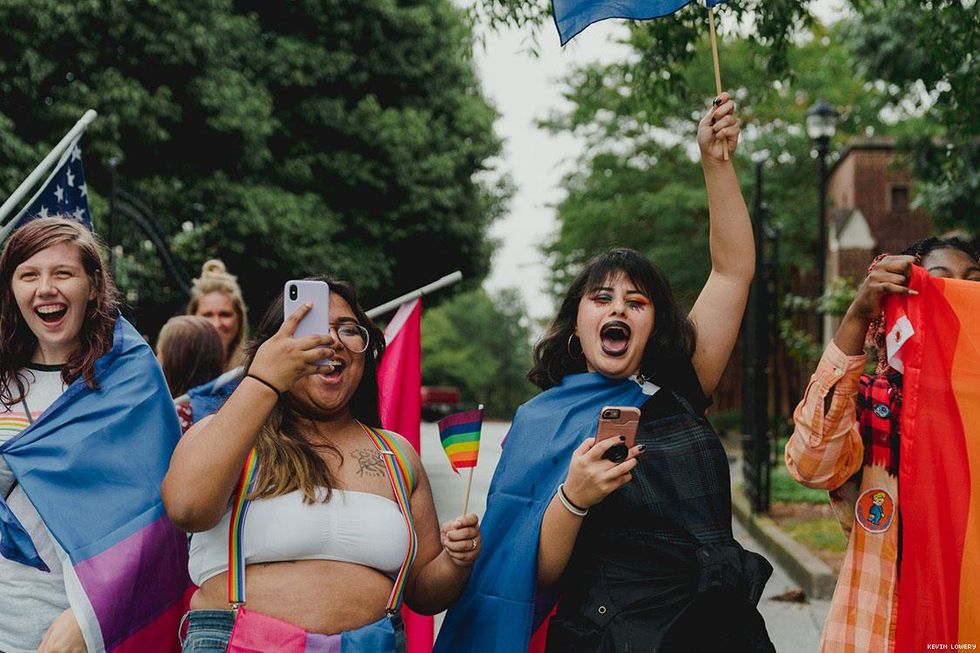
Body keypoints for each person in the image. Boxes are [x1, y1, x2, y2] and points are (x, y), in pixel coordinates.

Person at [436, 94, 774, 653]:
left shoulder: (681, 385)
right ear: (578, 325)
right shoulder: (541, 419)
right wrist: (575, 496)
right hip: (610, 639)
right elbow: (533, 574)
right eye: (602, 297)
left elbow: (733, 269)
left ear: (654, 326)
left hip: (716, 631)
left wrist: (715, 161)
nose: (618, 308)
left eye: (636, 301)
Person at [162, 277, 482, 652]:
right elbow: (187, 508)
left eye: (348, 329)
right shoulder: (230, 434)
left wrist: (457, 560)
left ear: (366, 352)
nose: (332, 340)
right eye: (313, 328)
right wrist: (264, 380)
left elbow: (424, 593)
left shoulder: (396, 454)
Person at [0, 217, 189, 653]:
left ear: (92, 284)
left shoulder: (131, 378)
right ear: (12, 290)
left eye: (62, 273)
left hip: (86, 623)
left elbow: (158, 516)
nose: (45, 288)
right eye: (29, 275)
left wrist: (88, 618)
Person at [785, 236, 980, 652]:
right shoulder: (872, 407)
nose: (955, 298)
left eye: (971, 285)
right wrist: (857, 314)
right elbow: (810, 464)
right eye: (937, 284)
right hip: (878, 633)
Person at [186, 259, 248, 370]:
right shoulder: (174, 369)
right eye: (207, 315)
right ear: (193, 319)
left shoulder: (253, 368)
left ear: (239, 319)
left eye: (225, 315)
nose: (216, 324)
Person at [156, 315, 226, 398]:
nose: (156, 360)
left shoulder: (169, 409)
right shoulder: (227, 401)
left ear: (174, 363)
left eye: (158, 354)